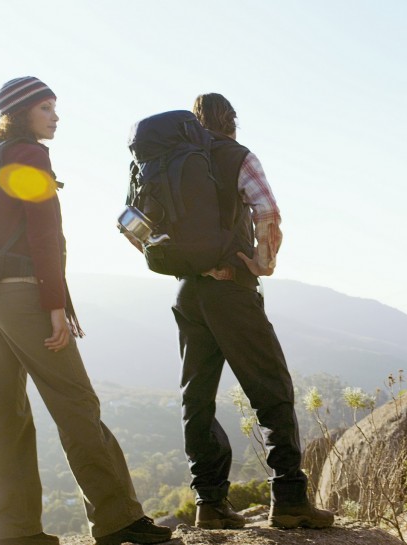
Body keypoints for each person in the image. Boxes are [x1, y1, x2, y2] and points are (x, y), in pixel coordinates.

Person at [0, 77, 172, 545]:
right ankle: (118, 518)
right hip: (27, 296)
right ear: (23, 112)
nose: (55, 117)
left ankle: (14, 531)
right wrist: (56, 305)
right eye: (46, 108)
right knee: (76, 405)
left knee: (4, 417)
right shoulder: (30, 154)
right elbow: (45, 231)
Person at [143, 93, 333, 529]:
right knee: (272, 388)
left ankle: (209, 504)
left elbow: (133, 224)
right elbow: (267, 211)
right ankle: (288, 499)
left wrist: (189, 264)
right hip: (231, 289)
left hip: (187, 292)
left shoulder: (167, 162)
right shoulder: (236, 156)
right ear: (231, 121)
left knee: (198, 397)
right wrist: (261, 264)